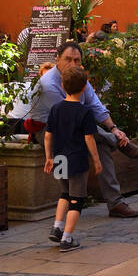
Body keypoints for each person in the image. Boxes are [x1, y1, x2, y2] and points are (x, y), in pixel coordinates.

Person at [27, 41, 138, 218]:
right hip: (49, 131)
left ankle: (115, 202)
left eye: (77, 60)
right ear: (58, 59)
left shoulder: (77, 78)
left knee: (101, 146)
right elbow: (69, 118)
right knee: (92, 137)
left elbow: (95, 106)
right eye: (68, 59)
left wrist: (113, 128)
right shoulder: (48, 84)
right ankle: (118, 144)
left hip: (76, 127)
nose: (73, 64)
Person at [42, 65, 101, 252]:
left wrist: (48, 157)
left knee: (64, 194)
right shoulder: (85, 112)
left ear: (62, 85)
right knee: (77, 200)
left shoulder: (55, 109)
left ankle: (57, 227)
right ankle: (67, 239)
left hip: (59, 157)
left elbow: (47, 135)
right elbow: (89, 138)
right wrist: (97, 160)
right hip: (77, 160)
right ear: (84, 87)